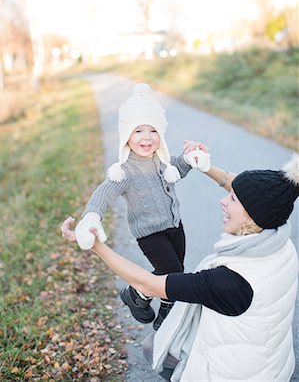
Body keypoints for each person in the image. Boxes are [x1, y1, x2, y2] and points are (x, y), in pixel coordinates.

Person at [61, 150, 299, 382]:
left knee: (153, 345)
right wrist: (206, 168)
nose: (223, 201)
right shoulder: (280, 241)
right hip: (272, 367)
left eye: (232, 199)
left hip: (229, 375)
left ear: (252, 216)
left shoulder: (229, 281)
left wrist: (97, 247)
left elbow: (149, 284)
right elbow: (256, 198)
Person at [61, 83, 211, 331]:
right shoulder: (125, 171)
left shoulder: (161, 160)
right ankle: (167, 317)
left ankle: (139, 295)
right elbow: (103, 194)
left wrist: (190, 158)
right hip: (149, 233)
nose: (146, 137)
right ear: (126, 136)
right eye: (138, 130)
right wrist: (90, 218)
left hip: (175, 225)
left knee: (174, 272)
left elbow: (176, 169)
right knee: (172, 272)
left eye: (153, 131)